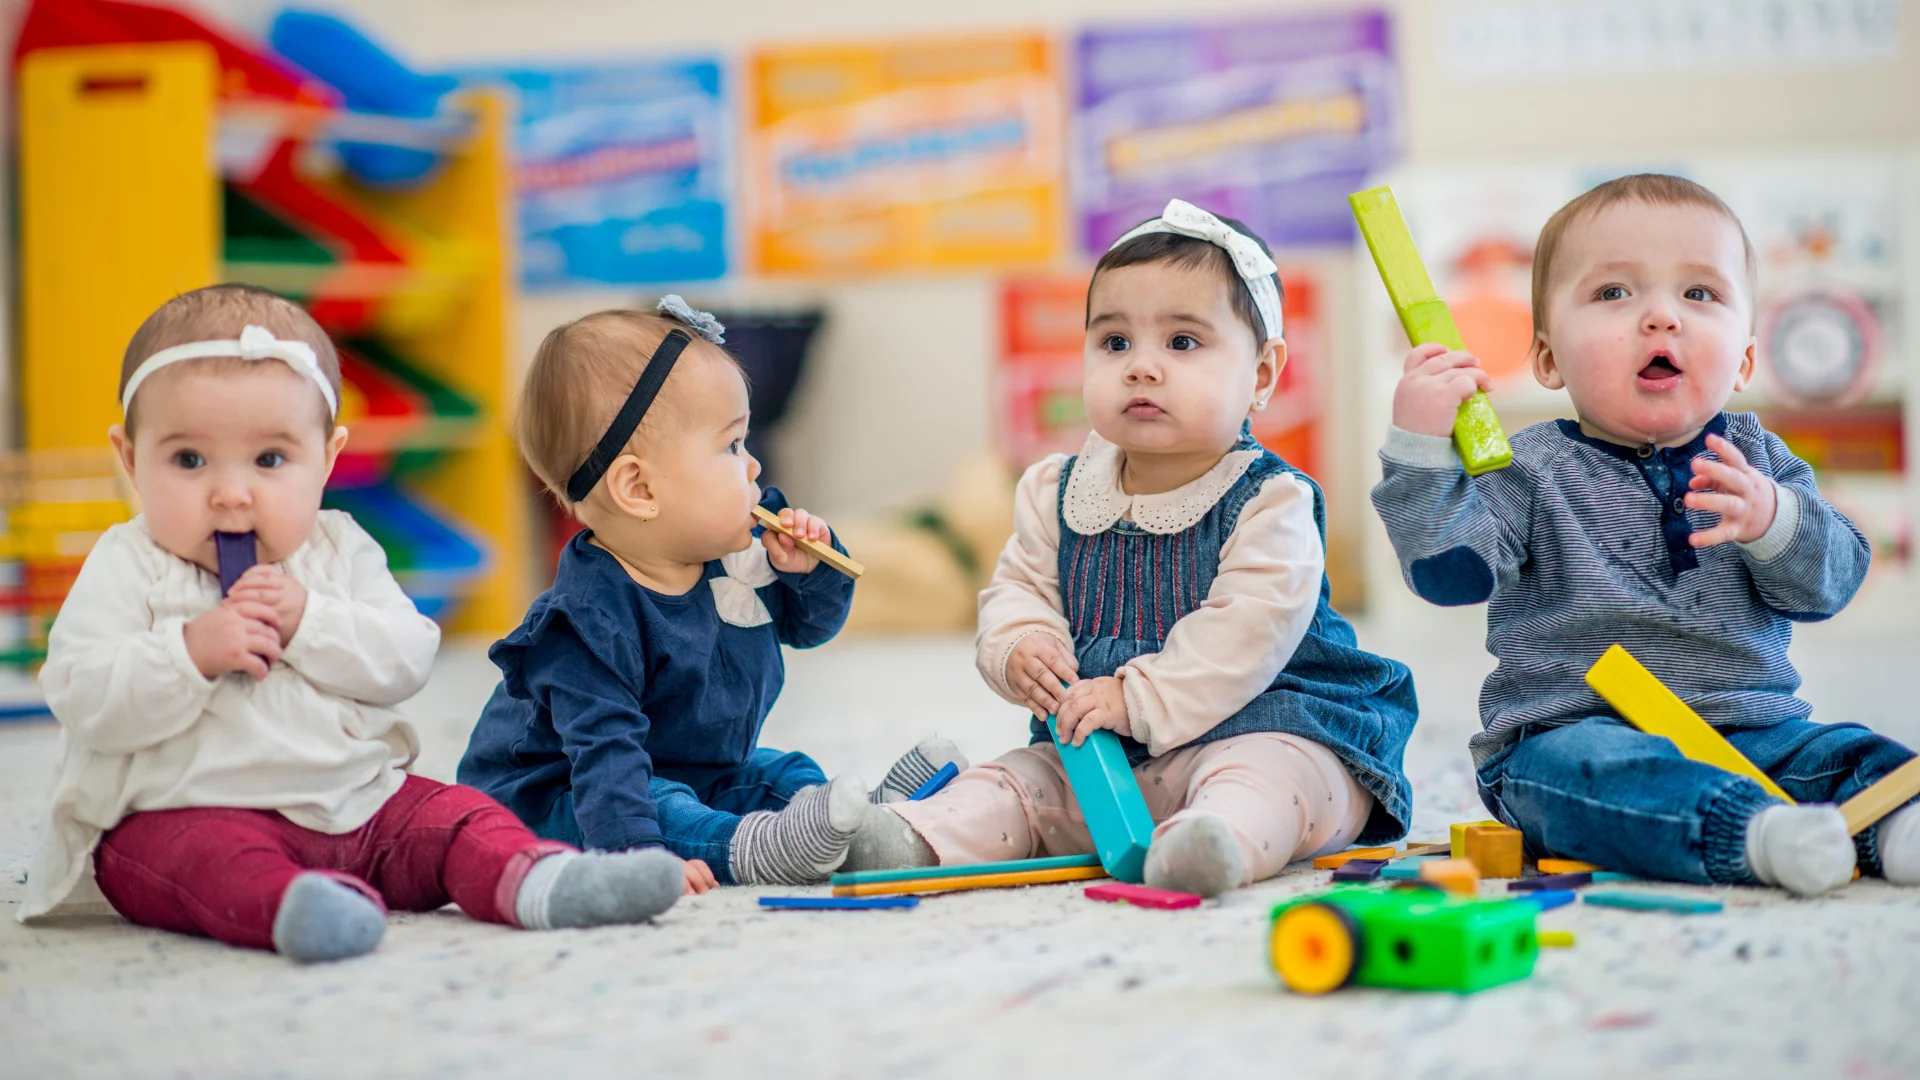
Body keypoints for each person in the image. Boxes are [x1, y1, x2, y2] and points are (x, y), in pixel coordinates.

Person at [21, 285, 682, 962]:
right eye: (189, 460)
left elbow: (405, 658)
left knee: (456, 815)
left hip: (359, 803)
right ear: (131, 459)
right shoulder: (128, 562)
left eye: (270, 459)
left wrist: (308, 620)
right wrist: (189, 653)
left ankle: (540, 881)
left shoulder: (339, 549)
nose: (231, 493)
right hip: (186, 810)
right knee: (189, 862)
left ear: (327, 458)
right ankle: (298, 909)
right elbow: (81, 693)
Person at [846, 202, 1419, 897]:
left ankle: (1214, 843)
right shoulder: (1055, 491)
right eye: (1115, 342)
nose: (1141, 367)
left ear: (1263, 374)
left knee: (1276, 780)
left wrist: (1135, 696)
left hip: (1266, 724)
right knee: (1019, 782)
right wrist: (1021, 644)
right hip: (1100, 756)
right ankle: (918, 835)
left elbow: (1248, 633)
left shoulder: (1271, 501)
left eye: (1182, 342)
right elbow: (1018, 588)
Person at [1372, 174, 1920, 895]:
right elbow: (1448, 576)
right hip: (1576, 738)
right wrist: (1419, 449)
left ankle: (1892, 821)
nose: (1662, 318)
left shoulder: (1759, 462)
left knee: (1849, 754)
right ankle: (1751, 835)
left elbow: (1832, 585)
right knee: (1575, 777)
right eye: (1613, 293)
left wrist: (1773, 520)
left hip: (1749, 733)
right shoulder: (1528, 469)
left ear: (1745, 359)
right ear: (1548, 359)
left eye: (1699, 293)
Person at [460, 298, 964, 890]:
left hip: (700, 768)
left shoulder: (736, 551)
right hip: (567, 797)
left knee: (785, 773)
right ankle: (756, 849)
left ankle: (861, 826)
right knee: (661, 806)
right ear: (639, 488)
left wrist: (810, 572)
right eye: (731, 447)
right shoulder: (584, 624)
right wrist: (640, 860)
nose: (753, 468)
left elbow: (809, 629)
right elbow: (606, 758)